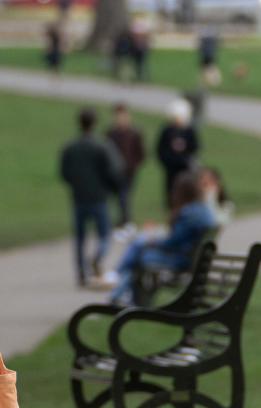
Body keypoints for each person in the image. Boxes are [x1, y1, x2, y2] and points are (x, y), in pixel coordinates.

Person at [108, 172, 217, 307]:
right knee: (140, 247)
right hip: (189, 257)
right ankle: (119, 290)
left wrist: (153, 242)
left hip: (180, 259)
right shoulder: (202, 210)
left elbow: (173, 242)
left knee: (140, 250)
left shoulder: (189, 212)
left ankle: (118, 285)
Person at [60, 107, 122, 287]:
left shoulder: (70, 146)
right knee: (104, 235)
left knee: (80, 238)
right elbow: (114, 170)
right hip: (99, 197)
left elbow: (64, 172)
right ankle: (97, 257)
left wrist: (76, 184)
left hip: (79, 197)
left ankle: (80, 273)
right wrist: (112, 188)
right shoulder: (103, 145)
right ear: (94, 122)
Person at [105, 103, 145, 230]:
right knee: (113, 197)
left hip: (128, 172)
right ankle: (115, 221)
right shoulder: (110, 133)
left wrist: (132, 165)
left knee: (123, 197)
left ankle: (124, 221)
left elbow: (141, 154)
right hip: (113, 172)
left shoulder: (134, 133)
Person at [157, 98, 199, 207]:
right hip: (171, 170)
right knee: (171, 192)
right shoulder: (167, 131)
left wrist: (186, 159)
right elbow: (161, 149)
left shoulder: (189, 131)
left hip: (185, 169)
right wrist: (168, 161)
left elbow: (194, 147)